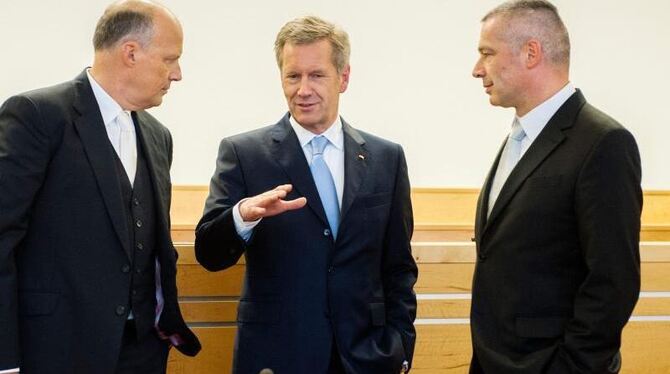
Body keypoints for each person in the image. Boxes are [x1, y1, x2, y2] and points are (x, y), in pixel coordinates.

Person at [195, 15, 417, 374]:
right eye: (293, 76)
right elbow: (209, 253)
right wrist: (242, 217)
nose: (303, 89)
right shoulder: (244, 153)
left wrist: (400, 348)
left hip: (367, 358)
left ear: (343, 78)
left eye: (317, 75)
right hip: (277, 359)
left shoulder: (386, 158)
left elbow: (398, 267)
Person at [0, 1, 201, 373]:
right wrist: (5, 359)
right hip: (54, 351)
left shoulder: (159, 137)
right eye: (170, 59)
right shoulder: (37, 115)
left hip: (141, 354)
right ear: (130, 53)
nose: (177, 74)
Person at [469, 1, 642, 373]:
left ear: (531, 52)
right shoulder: (521, 137)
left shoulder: (603, 142)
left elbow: (613, 282)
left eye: (487, 53)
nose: (477, 69)